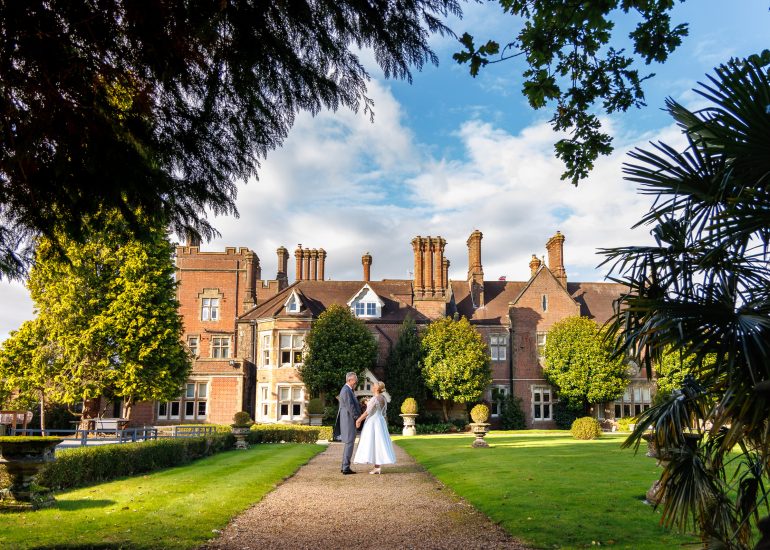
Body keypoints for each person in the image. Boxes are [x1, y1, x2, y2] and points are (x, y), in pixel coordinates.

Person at [354, 381, 397, 474]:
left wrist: (358, 420)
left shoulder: (375, 399)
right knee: (378, 443)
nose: (372, 386)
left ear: (377, 388)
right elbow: (383, 412)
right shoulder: (383, 398)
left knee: (373, 443)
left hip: (373, 422)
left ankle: (377, 467)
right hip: (380, 421)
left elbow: (367, 412)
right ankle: (377, 466)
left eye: (374, 385)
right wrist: (368, 402)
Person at [338, 371, 362, 474]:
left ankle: (344, 466)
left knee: (349, 443)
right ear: (349, 380)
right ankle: (346, 468)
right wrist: (357, 418)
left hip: (348, 419)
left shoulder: (348, 390)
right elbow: (350, 407)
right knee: (349, 443)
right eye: (355, 381)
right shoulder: (346, 390)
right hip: (348, 420)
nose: (356, 382)